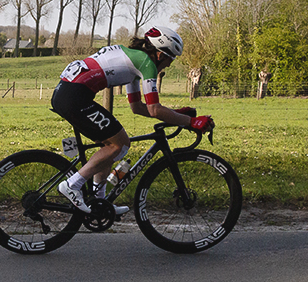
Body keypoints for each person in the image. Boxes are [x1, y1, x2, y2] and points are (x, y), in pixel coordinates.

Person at [49, 27, 214, 214]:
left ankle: (99, 203)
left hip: (68, 94)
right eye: (171, 59)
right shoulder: (146, 63)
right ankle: (72, 185)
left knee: (110, 145)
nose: (169, 65)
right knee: (120, 144)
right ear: (160, 54)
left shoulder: (134, 60)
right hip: (74, 97)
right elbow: (154, 109)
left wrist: (177, 114)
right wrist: (191, 122)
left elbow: (137, 107)